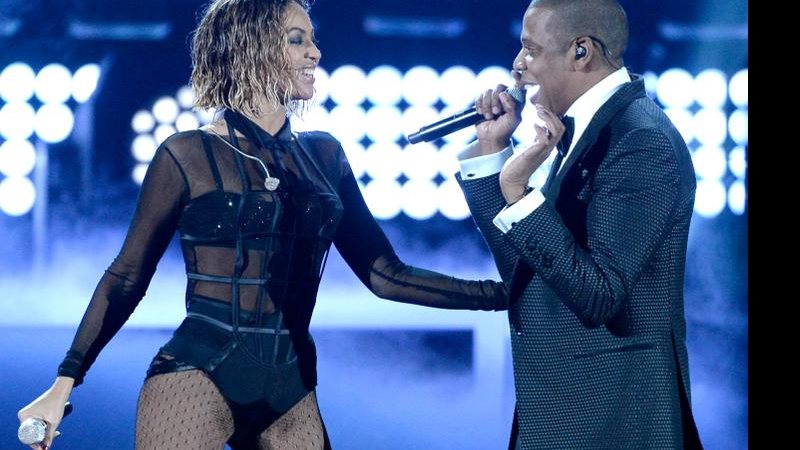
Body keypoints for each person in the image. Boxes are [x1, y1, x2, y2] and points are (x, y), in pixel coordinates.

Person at [17, 1, 507, 449]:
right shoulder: (186, 154)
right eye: (297, 40)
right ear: (250, 49)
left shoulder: (324, 155)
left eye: (312, 40)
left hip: (290, 387)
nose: (315, 52)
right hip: (195, 374)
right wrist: (64, 383)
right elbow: (126, 278)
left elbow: (386, 275)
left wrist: (507, 294)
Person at [456, 0, 703, 448]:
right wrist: (493, 160)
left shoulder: (640, 141)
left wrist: (520, 192)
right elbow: (526, 274)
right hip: (562, 414)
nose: (517, 68)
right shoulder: (582, 131)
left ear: (581, 51)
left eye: (530, 49)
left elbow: (598, 294)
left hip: (614, 421)